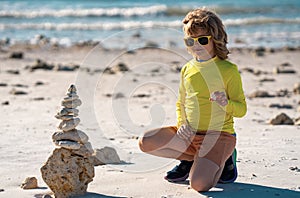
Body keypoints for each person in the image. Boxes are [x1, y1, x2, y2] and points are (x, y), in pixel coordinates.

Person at [138, 7, 247, 192]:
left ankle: (227, 157)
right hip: (192, 134)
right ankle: (190, 159)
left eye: (202, 40)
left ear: (216, 38)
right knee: (145, 141)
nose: (196, 45)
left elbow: (242, 109)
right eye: (190, 41)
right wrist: (182, 125)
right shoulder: (188, 69)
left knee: (198, 185)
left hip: (219, 136)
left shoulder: (228, 70)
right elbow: (181, 102)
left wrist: (225, 104)